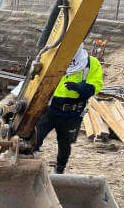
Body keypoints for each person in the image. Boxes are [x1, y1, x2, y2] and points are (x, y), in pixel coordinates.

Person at [32, 43, 103, 173]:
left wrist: (81, 88)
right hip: (51, 109)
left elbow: (96, 86)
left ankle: (59, 170)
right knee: (36, 137)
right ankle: (30, 163)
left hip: (72, 113)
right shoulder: (57, 60)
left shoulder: (91, 63)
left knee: (64, 144)